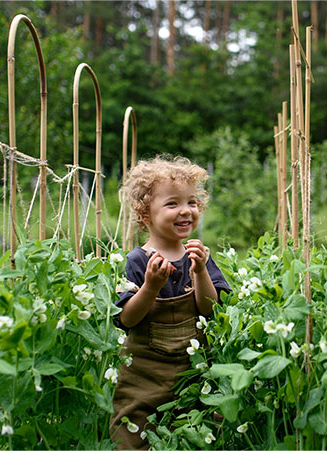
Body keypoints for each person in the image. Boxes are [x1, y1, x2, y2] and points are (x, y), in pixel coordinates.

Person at [109, 155, 230, 450]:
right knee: (134, 437)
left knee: (196, 436)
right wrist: (151, 287)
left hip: (193, 377)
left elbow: (211, 310)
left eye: (191, 202)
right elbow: (126, 319)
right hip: (144, 382)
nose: (186, 211)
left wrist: (200, 271)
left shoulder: (199, 256)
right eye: (172, 203)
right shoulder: (137, 262)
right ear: (145, 212)